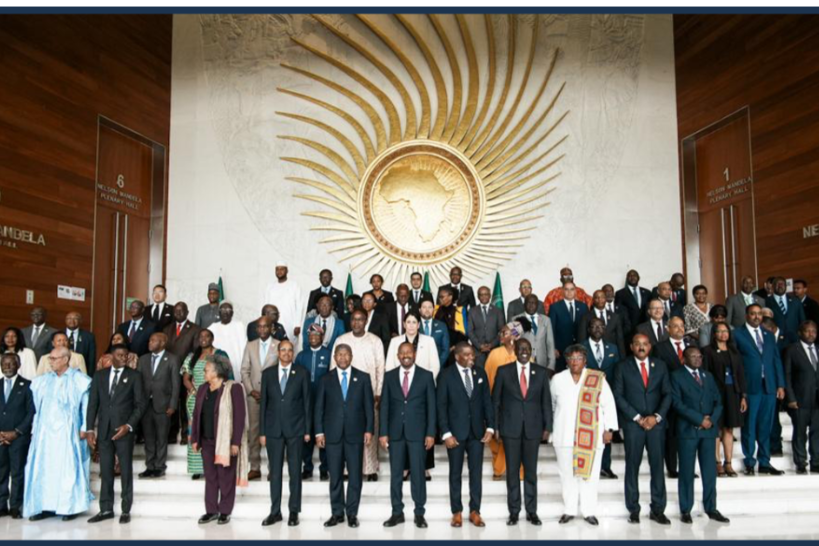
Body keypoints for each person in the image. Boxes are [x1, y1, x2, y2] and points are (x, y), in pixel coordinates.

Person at [23, 346, 92, 521]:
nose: (50, 362)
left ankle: (69, 507)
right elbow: (36, 408)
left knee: (66, 468)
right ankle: (44, 506)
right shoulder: (42, 381)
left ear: (65, 360)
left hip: (67, 432)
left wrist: (84, 428)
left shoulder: (80, 380)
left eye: (54, 359)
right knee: (44, 468)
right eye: (50, 358)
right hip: (44, 433)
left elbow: (86, 407)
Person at [551, 344, 618, 526]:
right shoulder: (557, 379)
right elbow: (551, 405)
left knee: (591, 475)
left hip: (591, 436)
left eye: (579, 358)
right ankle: (569, 509)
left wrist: (609, 429)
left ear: (585, 360)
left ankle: (589, 511)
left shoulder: (597, 378)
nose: (575, 362)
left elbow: (608, 404)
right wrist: (550, 428)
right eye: (571, 358)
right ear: (566, 361)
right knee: (567, 474)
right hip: (564, 434)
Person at [612, 333, 672, 525]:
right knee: (632, 466)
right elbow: (618, 395)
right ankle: (633, 510)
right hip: (633, 425)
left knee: (657, 466)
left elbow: (668, 394)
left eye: (645, 344)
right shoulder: (622, 366)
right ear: (631, 347)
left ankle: (658, 509)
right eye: (637, 344)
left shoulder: (660, 366)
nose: (641, 347)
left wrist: (656, 417)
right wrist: (637, 417)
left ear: (650, 346)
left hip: (656, 425)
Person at [492, 338, 552, 526]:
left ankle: (532, 512)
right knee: (512, 473)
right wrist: (495, 427)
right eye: (520, 348)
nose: (524, 351)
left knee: (531, 472)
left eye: (527, 348)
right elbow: (496, 402)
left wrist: (548, 427)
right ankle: (514, 512)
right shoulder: (503, 371)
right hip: (510, 428)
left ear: (531, 350)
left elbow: (546, 402)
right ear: (515, 350)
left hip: (533, 429)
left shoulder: (541, 372)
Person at [85, 343, 147, 525]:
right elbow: (92, 404)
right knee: (106, 471)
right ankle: (106, 509)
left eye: (126, 355)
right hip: (104, 430)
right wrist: (90, 429)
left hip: (124, 431)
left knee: (125, 470)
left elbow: (140, 404)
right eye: (120, 355)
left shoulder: (134, 376)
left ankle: (126, 510)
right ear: (111, 356)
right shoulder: (100, 375)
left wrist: (128, 425)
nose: (124, 358)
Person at [314, 343, 374, 528]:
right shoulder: (325, 379)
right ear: (334, 357)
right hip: (332, 435)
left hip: (355, 434)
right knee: (335, 476)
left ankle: (352, 514)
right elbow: (319, 408)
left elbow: (369, 407)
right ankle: (337, 513)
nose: (342, 357)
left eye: (346, 354)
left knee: (355, 476)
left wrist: (369, 429)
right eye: (339, 354)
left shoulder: (363, 378)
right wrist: (319, 432)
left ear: (351, 356)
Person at [437, 343, 494, 528]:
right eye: (467, 355)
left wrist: (490, 427)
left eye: (472, 355)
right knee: (455, 473)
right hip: (455, 433)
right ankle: (457, 512)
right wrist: (446, 433)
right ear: (457, 357)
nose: (472, 358)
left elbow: (487, 401)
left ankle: (475, 511)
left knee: (476, 473)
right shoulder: (446, 375)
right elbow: (441, 406)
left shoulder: (480, 373)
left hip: (477, 433)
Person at [380, 342, 436, 529]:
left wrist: (430, 433)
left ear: (414, 354)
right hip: (395, 434)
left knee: (418, 474)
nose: (406, 355)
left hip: (418, 433)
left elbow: (431, 407)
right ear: (397, 355)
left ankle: (419, 513)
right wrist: (383, 433)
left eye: (409, 352)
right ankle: (397, 512)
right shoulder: (389, 376)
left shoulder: (426, 376)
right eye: (402, 352)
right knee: (396, 475)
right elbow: (385, 406)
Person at [671, 346, 730, 524]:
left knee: (710, 472)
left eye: (699, 356)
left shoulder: (707, 376)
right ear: (684, 358)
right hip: (688, 431)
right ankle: (686, 510)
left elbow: (718, 401)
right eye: (693, 356)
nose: (697, 359)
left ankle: (711, 508)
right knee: (687, 472)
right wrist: (699, 419)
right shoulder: (676, 376)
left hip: (708, 431)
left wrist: (711, 419)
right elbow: (676, 403)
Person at [191, 354, 248, 525]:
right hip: (206, 440)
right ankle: (211, 511)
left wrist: (235, 442)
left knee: (225, 477)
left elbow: (239, 417)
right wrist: (195, 438)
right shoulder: (203, 389)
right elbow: (196, 415)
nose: (204, 372)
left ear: (216, 372)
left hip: (225, 442)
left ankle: (224, 511)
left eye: (207, 370)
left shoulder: (233, 388)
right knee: (210, 477)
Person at [260, 340, 311, 527]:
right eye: (283, 350)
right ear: (278, 352)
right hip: (273, 430)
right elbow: (263, 405)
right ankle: (275, 512)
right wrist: (262, 432)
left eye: (290, 350)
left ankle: (293, 512)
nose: (287, 353)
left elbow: (307, 403)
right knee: (275, 473)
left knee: (295, 472)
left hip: (295, 430)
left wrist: (307, 430)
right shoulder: (267, 374)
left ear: (293, 353)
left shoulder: (302, 373)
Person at [330, 309, 385, 482]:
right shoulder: (342, 340)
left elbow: (380, 367)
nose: (357, 323)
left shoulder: (375, 341)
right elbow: (333, 367)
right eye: (354, 319)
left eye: (360, 319)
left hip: (370, 394)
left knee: (369, 430)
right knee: (348, 432)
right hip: (345, 394)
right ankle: (348, 469)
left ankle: (370, 468)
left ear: (366, 321)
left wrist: (379, 392)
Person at [733, 304, 786, 475]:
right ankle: (749, 462)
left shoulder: (768, 335)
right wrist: (740, 389)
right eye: (753, 314)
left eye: (759, 314)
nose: (756, 317)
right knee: (749, 425)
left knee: (765, 426)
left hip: (769, 386)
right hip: (750, 386)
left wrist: (780, 384)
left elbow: (776, 360)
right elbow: (735, 363)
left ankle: (764, 462)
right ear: (746, 315)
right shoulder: (737, 334)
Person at [182, 330, 229, 480]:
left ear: (212, 338)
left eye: (207, 336)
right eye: (200, 336)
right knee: (195, 431)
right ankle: (197, 468)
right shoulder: (192, 357)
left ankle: (214, 464)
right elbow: (186, 378)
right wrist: (196, 392)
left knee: (212, 430)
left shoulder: (219, 355)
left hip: (214, 397)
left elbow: (226, 376)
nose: (203, 339)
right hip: (195, 399)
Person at [703, 322, 747, 477]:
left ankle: (728, 463)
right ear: (714, 334)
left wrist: (743, 396)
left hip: (733, 393)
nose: (723, 334)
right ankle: (717, 463)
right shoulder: (707, 351)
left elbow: (740, 374)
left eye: (726, 331)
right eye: (720, 331)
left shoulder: (734, 351)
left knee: (729, 428)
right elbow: (705, 374)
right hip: (715, 394)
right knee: (716, 428)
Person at [580, 317, 621, 479]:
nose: (597, 329)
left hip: (606, 395)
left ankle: (605, 466)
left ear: (604, 329)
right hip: (586, 395)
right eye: (594, 326)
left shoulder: (613, 348)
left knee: (606, 429)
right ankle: (588, 466)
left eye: (600, 326)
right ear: (588, 329)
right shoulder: (581, 347)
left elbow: (617, 372)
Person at [240, 317, 279, 481]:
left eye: (266, 326)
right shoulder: (250, 345)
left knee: (272, 433)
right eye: (260, 327)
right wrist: (251, 391)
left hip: (273, 398)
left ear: (272, 328)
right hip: (253, 397)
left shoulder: (279, 345)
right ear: (257, 329)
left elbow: (282, 370)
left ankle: (273, 469)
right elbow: (244, 370)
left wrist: (272, 393)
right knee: (254, 432)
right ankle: (254, 467)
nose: (262, 329)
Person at [137, 332, 181, 479]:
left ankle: (160, 466)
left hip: (163, 405)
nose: (150, 343)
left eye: (153, 340)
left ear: (162, 343)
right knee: (148, 437)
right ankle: (150, 466)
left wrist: (172, 405)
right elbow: (138, 382)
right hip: (146, 405)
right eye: (150, 340)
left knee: (161, 438)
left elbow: (176, 384)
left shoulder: (172, 359)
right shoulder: (143, 359)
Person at [651, 316, 690, 477]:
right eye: (675, 326)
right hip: (670, 397)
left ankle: (687, 468)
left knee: (688, 435)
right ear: (668, 329)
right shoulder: (659, 348)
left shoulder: (692, 345)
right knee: (671, 435)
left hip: (689, 398)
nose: (680, 329)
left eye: (682, 326)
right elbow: (657, 374)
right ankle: (672, 468)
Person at [485, 323, 523, 481]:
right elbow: (488, 378)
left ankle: (520, 471)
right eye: (501, 332)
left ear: (515, 335)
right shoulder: (494, 354)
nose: (501, 335)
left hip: (519, 405)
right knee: (498, 437)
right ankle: (499, 468)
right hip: (498, 404)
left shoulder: (523, 352)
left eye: (505, 333)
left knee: (519, 437)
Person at [0, 353, 34, 519]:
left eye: (11, 363)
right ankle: (1, 505)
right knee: (1, 472)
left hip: (19, 438)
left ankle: (15, 506)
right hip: (0, 438)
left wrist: (17, 432)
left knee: (17, 472)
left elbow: (31, 412)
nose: (7, 367)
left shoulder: (27, 385)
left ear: (18, 365)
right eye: (4, 364)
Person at [295, 324, 331, 481]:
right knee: (307, 435)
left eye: (316, 335)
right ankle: (307, 467)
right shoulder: (301, 355)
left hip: (324, 401)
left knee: (324, 434)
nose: (313, 338)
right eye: (310, 336)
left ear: (322, 337)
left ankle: (324, 469)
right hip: (305, 402)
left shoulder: (328, 354)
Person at [784, 320, 819, 474]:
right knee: (799, 433)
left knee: (817, 433)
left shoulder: (818, 349)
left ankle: (816, 462)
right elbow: (787, 375)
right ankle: (800, 462)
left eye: (814, 331)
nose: (811, 334)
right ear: (800, 333)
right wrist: (790, 398)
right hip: (799, 399)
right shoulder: (792, 349)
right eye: (807, 331)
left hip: (817, 400)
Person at [165, 302, 202, 446]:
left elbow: (196, 351)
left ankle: (186, 433)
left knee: (185, 403)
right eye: (176, 311)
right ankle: (172, 433)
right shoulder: (167, 328)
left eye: (181, 311)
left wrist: (189, 370)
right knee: (172, 402)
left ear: (187, 312)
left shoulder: (195, 329)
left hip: (186, 371)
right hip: (169, 372)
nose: (178, 313)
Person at [385, 311, 440, 378]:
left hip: (424, 381)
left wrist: (425, 381)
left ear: (418, 325)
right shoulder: (394, 341)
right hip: (400, 381)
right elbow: (389, 366)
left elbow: (435, 366)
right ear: (404, 324)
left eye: (414, 322)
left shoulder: (429, 341)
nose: (411, 325)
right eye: (408, 322)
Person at [549, 281, 589, 372]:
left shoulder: (583, 307)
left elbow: (587, 328)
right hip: (561, 350)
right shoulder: (555, 307)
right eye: (566, 289)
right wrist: (553, 348)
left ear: (575, 291)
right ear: (562, 291)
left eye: (572, 289)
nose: (569, 292)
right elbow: (551, 329)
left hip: (580, 348)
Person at [263, 263, 305, 343]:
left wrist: (297, 324)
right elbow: (265, 306)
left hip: (290, 322)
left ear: (287, 271)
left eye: (282, 269)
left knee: (289, 346)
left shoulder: (294, 285)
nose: (279, 271)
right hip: (272, 323)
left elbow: (300, 306)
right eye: (277, 269)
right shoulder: (270, 286)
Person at [578, 290, 626, 358]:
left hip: (611, 353)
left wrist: (622, 357)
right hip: (591, 353)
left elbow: (620, 339)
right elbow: (582, 338)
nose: (600, 300)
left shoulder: (615, 317)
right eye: (597, 297)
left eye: (602, 297)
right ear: (593, 300)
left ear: (605, 299)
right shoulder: (585, 317)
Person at [513, 294, 556, 372]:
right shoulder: (516, 319)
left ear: (538, 305)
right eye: (529, 303)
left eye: (534, 303)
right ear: (524, 304)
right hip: (523, 360)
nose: (531, 305)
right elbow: (514, 342)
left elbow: (550, 343)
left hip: (542, 362)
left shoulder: (546, 320)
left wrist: (551, 365)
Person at [468, 286, 505, 368]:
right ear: (478, 297)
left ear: (490, 295)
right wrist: (479, 346)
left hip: (494, 350)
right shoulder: (472, 311)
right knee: (479, 374)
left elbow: (501, 331)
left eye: (486, 294)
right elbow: (470, 331)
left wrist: (491, 344)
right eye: (481, 295)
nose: (484, 297)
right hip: (478, 352)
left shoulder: (498, 311)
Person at [209, 302, 246, 381]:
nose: (225, 312)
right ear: (219, 312)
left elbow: (244, 347)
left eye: (228, 309)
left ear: (232, 313)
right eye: (222, 310)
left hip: (237, 365)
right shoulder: (212, 328)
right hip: (218, 365)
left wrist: (244, 368)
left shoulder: (239, 326)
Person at [767, 276, 806, 344]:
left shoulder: (796, 301)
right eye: (777, 284)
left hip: (795, 340)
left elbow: (802, 320)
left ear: (786, 286)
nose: (780, 286)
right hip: (776, 340)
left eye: (782, 284)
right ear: (773, 287)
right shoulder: (766, 301)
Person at [435, 286, 467, 365]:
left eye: (442, 297)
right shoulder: (435, 310)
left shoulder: (459, 311)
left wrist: (454, 346)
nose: (440, 299)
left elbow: (464, 333)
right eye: (439, 297)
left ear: (450, 297)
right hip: (438, 348)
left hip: (454, 349)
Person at [419, 299, 450, 367]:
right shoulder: (414, 325)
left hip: (439, 365)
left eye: (430, 307)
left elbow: (446, 349)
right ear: (420, 310)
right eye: (424, 307)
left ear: (433, 309)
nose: (427, 310)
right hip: (419, 366)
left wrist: (437, 365)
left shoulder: (442, 326)